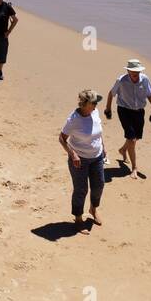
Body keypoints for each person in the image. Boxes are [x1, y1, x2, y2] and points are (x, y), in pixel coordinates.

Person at [104, 60, 151, 178]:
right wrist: (108, 109)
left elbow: (149, 94)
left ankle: (123, 150)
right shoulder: (121, 80)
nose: (136, 73)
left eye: (138, 71)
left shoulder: (144, 79)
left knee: (135, 138)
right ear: (128, 70)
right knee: (132, 139)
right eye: (133, 71)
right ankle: (134, 168)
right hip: (124, 110)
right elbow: (111, 94)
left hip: (139, 111)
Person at [59, 90, 106, 230]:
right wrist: (73, 154)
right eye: (94, 102)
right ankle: (78, 218)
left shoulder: (95, 112)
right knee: (81, 189)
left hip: (97, 157)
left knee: (99, 185)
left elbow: (98, 132)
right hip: (80, 160)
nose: (96, 104)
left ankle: (93, 209)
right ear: (85, 104)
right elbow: (61, 138)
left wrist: (103, 147)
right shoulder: (74, 119)